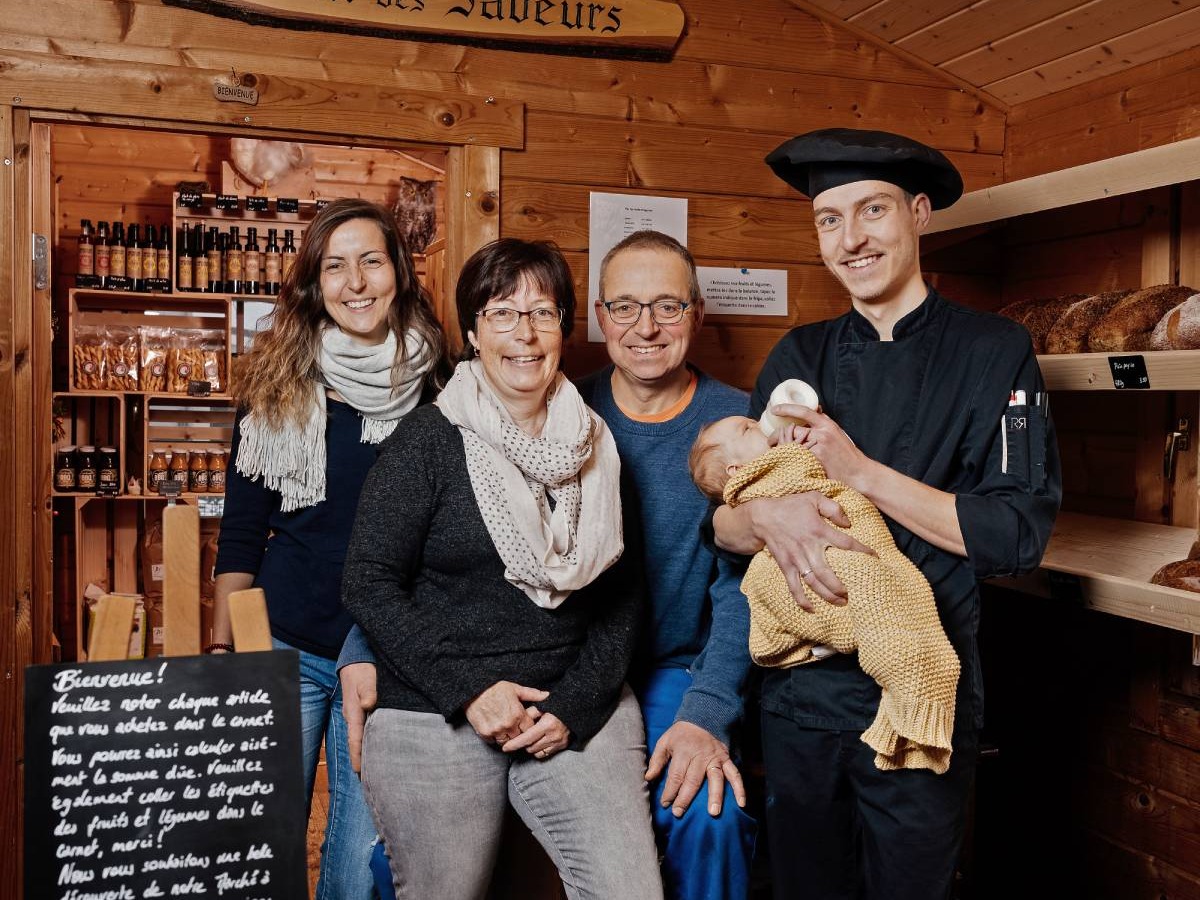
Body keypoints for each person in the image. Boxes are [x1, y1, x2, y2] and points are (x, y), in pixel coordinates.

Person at [711, 128, 1061, 899]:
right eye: (830, 220)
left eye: (872, 210)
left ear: (921, 215)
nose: (851, 237)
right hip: (801, 702)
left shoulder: (993, 351)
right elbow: (725, 526)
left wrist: (860, 474)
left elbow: (1014, 536)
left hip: (921, 704)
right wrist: (763, 520)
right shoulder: (796, 358)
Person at [340, 238, 663, 899]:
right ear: (471, 332)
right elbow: (367, 581)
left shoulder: (598, 448)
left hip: (567, 702)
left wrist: (574, 705)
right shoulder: (429, 442)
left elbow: (622, 602)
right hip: (437, 704)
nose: (525, 333)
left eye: (543, 313)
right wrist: (469, 690)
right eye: (502, 314)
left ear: (565, 330)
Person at [212, 198, 449, 900]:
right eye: (334, 265)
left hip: (386, 654)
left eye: (370, 261)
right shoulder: (276, 387)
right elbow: (241, 532)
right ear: (315, 283)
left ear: (399, 273)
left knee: (356, 860)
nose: (354, 281)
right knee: (256, 847)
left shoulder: (444, 388)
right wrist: (227, 655)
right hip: (282, 643)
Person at [577, 229, 757, 899]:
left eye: (667, 306)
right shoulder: (561, 411)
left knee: (708, 814)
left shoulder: (739, 426)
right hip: (569, 668)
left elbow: (745, 590)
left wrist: (707, 713)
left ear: (697, 314)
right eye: (624, 306)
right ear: (600, 319)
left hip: (677, 672)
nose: (645, 326)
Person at [690, 414, 960, 774]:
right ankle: (912, 697)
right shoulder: (768, 477)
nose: (758, 423)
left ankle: (898, 694)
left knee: (895, 590)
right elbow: (798, 472)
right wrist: (795, 448)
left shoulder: (771, 457)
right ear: (739, 471)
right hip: (818, 563)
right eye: (747, 429)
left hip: (840, 543)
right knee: (878, 596)